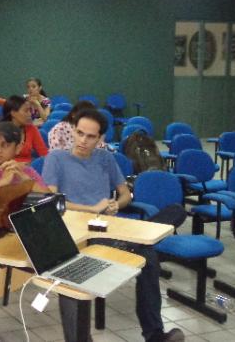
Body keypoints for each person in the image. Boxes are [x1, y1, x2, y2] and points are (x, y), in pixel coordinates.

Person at [42, 109, 185, 342]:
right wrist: (92, 208)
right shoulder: (57, 159)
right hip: (77, 232)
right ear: (73, 131)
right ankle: (142, 238)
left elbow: (126, 194)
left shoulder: (105, 158)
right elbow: (52, 203)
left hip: (107, 226)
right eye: (79, 133)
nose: (83, 140)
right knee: (148, 254)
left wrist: (115, 205)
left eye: (90, 136)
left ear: (100, 139)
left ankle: (154, 335)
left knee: (176, 212)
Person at [0, 95, 48, 163]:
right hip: (0, 169)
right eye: (26, 111)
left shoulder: (31, 129)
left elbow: (44, 155)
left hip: (26, 169)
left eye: (30, 110)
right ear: (13, 113)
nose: (30, 114)